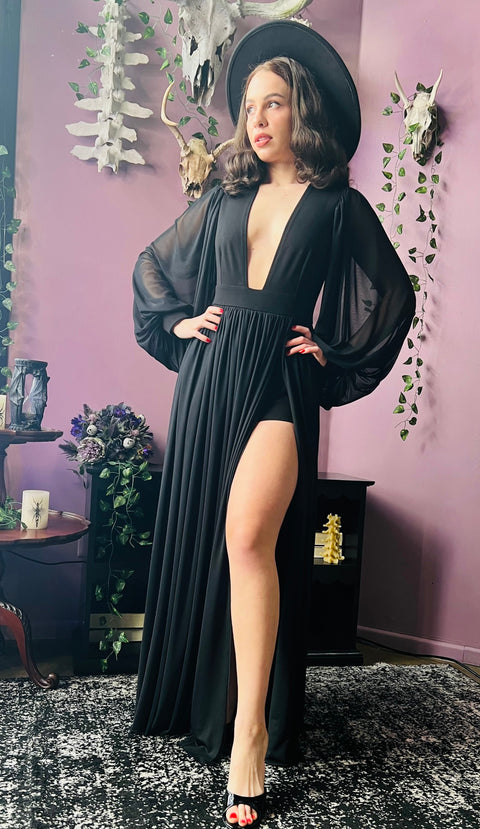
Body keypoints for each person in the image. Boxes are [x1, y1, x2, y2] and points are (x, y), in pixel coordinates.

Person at [131, 21, 415, 829]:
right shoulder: (224, 195)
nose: (257, 120)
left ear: (303, 111)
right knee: (219, 540)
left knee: (250, 534)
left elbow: (394, 294)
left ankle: (250, 732)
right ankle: (215, 703)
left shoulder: (338, 204)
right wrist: (180, 322)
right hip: (213, 378)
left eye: (275, 103)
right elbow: (152, 263)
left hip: (281, 383)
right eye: (250, 106)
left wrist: (330, 351)